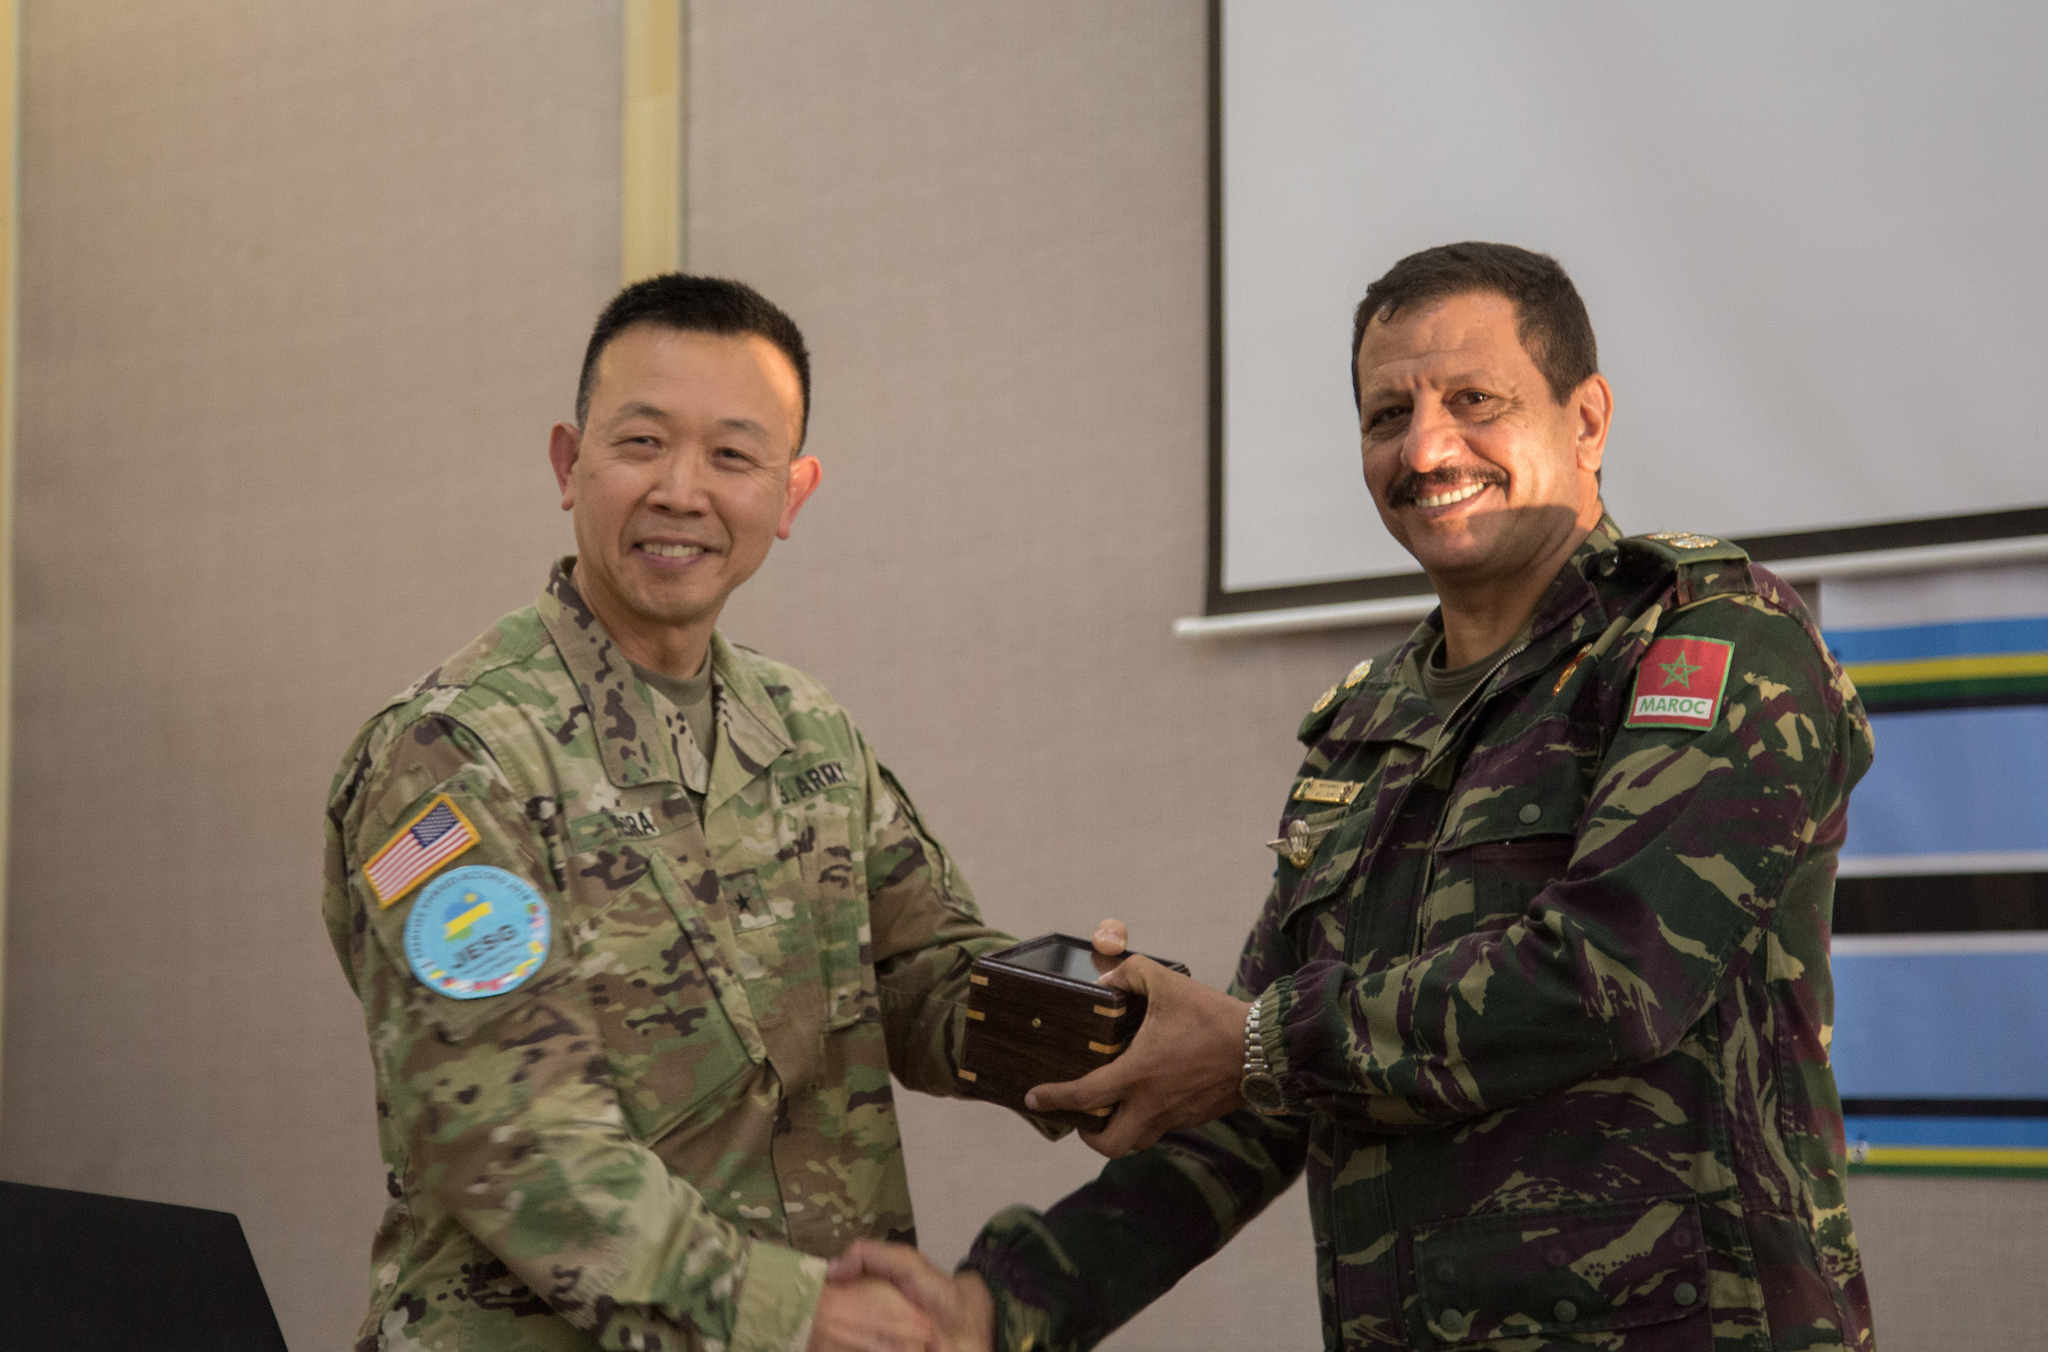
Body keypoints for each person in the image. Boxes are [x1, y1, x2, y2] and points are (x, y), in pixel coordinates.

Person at [841, 242, 1878, 1351]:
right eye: (1387, 415)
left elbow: (1612, 973)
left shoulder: (1704, 636)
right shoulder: (1369, 721)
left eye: (1473, 401)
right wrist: (999, 1305)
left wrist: (1249, 1043)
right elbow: (1256, 1101)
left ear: (1585, 419)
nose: (1426, 448)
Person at [323, 273, 1025, 1352]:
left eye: (732, 456)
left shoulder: (807, 732)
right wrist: (794, 1314)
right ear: (568, 464)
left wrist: (1099, 1026)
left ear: (790, 495)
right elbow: (508, 1133)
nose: (681, 491)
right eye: (641, 442)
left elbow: (921, 976)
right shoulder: (456, 755)